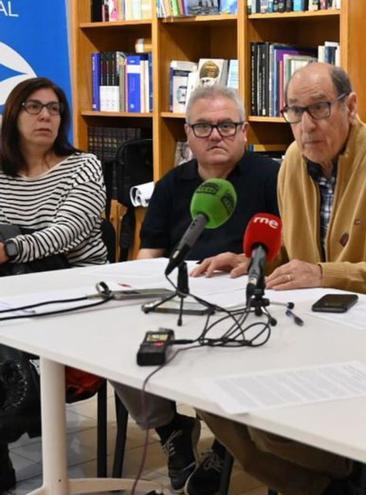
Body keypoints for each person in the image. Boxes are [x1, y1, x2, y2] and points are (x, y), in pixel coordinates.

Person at [193, 63, 366, 494]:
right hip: (305, 334)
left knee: (267, 423)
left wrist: (327, 274)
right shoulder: (291, 162)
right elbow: (293, 262)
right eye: (295, 111)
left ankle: (329, 473)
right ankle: (325, 483)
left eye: (320, 109)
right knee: (210, 395)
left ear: (351, 106)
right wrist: (250, 262)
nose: (306, 125)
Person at [112, 85, 281, 495]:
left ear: (244, 131)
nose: (215, 135)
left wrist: (250, 265)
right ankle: (171, 429)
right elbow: (150, 251)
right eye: (203, 126)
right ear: (187, 134)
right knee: (114, 340)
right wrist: (133, 287)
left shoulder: (272, 177)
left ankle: (228, 441)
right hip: (179, 292)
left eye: (226, 125)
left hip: (244, 299)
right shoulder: (172, 185)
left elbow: (290, 246)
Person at [0, 77, 108, 491]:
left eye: (54, 108)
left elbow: (68, 231)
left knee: (6, 229)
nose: (46, 115)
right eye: (33, 106)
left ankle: (19, 395)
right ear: (13, 114)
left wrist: (10, 247)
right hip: (13, 296)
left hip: (72, 291)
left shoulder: (83, 166)